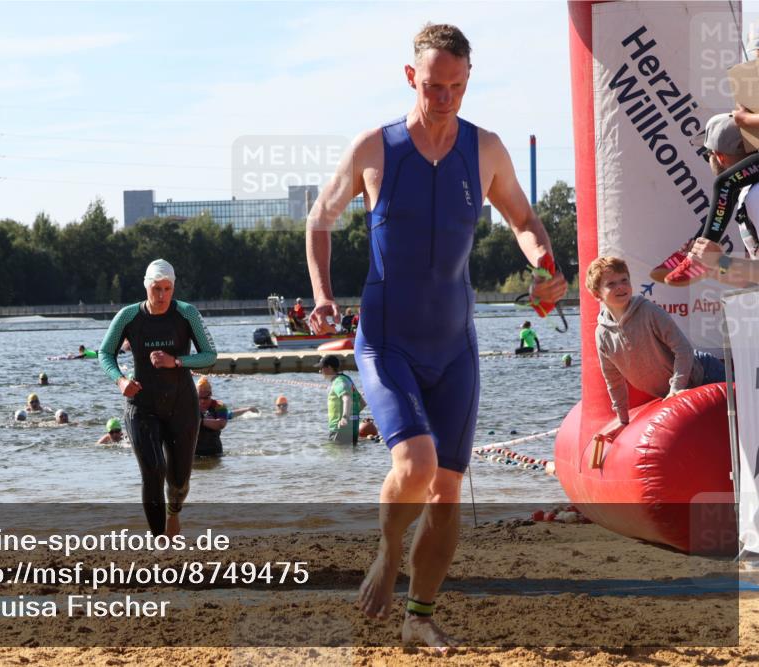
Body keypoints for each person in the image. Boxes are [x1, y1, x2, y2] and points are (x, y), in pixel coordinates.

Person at [304, 23, 567, 649]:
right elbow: (320, 219)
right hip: (387, 339)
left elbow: (526, 220)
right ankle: (388, 550)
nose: (444, 97)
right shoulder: (376, 146)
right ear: (409, 78)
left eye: (455, 86)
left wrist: (543, 265)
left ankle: (419, 616)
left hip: (455, 346)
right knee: (416, 464)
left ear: (468, 80)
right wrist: (321, 297)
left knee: (448, 484)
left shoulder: (487, 149)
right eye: (432, 85)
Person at [99, 259, 217, 537]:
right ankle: (159, 542)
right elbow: (105, 353)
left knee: (179, 482)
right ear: (146, 287)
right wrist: (120, 380)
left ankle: (173, 514)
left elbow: (210, 356)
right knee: (153, 472)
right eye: (156, 289)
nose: (162, 296)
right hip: (142, 406)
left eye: (167, 289)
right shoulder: (128, 316)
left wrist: (176, 361)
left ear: (173, 287)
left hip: (181, 405)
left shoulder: (187, 313)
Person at [587, 256, 725, 432]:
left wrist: (676, 388)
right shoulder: (602, 334)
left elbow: (683, 349)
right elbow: (614, 380)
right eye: (611, 284)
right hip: (676, 388)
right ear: (597, 294)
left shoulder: (648, 312)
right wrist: (623, 421)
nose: (620, 286)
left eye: (624, 280)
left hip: (704, 374)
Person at [653, 113, 759, 285]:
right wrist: (715, 265)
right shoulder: (748, 194)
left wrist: (719, 261)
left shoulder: (755, 195)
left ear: (719, 156)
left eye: (706, 154)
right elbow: (751, 279)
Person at [316, 355, 362, 445]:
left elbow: (346, 398)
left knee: (334, 456)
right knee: (351, 457)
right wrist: (352, 418)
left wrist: (345, 417)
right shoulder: (348, 380)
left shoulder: (338, 382)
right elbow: (362, 403)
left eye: (321, 368)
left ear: (329, 368)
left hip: (340, 430)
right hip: (353, 430)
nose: (320, 371)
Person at [195, 376, 228, 457]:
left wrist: (200, 421)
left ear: (211, 394)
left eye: (206, 398)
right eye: (200, 398)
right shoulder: (190, 406)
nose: (202, 401)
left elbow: (221, 424)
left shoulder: (220, 406)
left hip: (215, 453)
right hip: (195, 453)